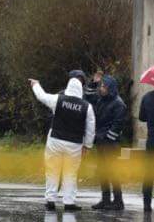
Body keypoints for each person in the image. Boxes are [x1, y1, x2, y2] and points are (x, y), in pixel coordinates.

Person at [30, 77, 96, 211]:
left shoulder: (58, 100)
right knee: (71, 173)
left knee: (52, 170)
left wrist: (36, 84)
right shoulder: (86, 107)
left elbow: (42, 96)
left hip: (55, 140)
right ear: (80, 89)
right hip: (74, 144)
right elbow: (91, 128)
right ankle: (69, 202)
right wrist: (87, 146)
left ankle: (50, 200)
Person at [91, 75, 127, 210]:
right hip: (100, 141)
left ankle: (118, 201)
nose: (102, 88)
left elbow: (118, 124)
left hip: (111, 144)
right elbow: (89, 98)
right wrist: (92, 84)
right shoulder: (101, 100)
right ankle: (105, 200)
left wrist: (107, 137)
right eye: (101, 86)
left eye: (104, 86)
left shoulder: (119, 104)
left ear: (110, 88)